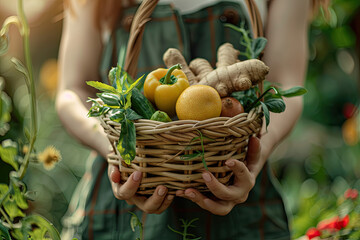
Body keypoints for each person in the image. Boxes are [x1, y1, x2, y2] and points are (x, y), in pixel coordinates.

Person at [56, 0, 325, 239]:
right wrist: (116, 148)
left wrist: (259, 152)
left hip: (237, 188)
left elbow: (285, 85)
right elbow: (72, 90)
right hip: (118, 201)